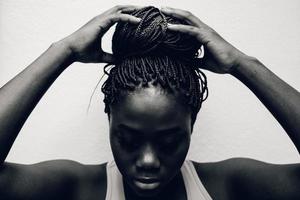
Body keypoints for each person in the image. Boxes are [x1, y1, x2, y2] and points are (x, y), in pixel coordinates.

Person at [0, 5, 299, 200]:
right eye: (128, 140)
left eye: (169, 141)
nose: (148, 161)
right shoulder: (81, 190)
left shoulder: (226, 187)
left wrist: (241, 63)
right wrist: (62, 50)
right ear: (110, 121)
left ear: (191, 124)